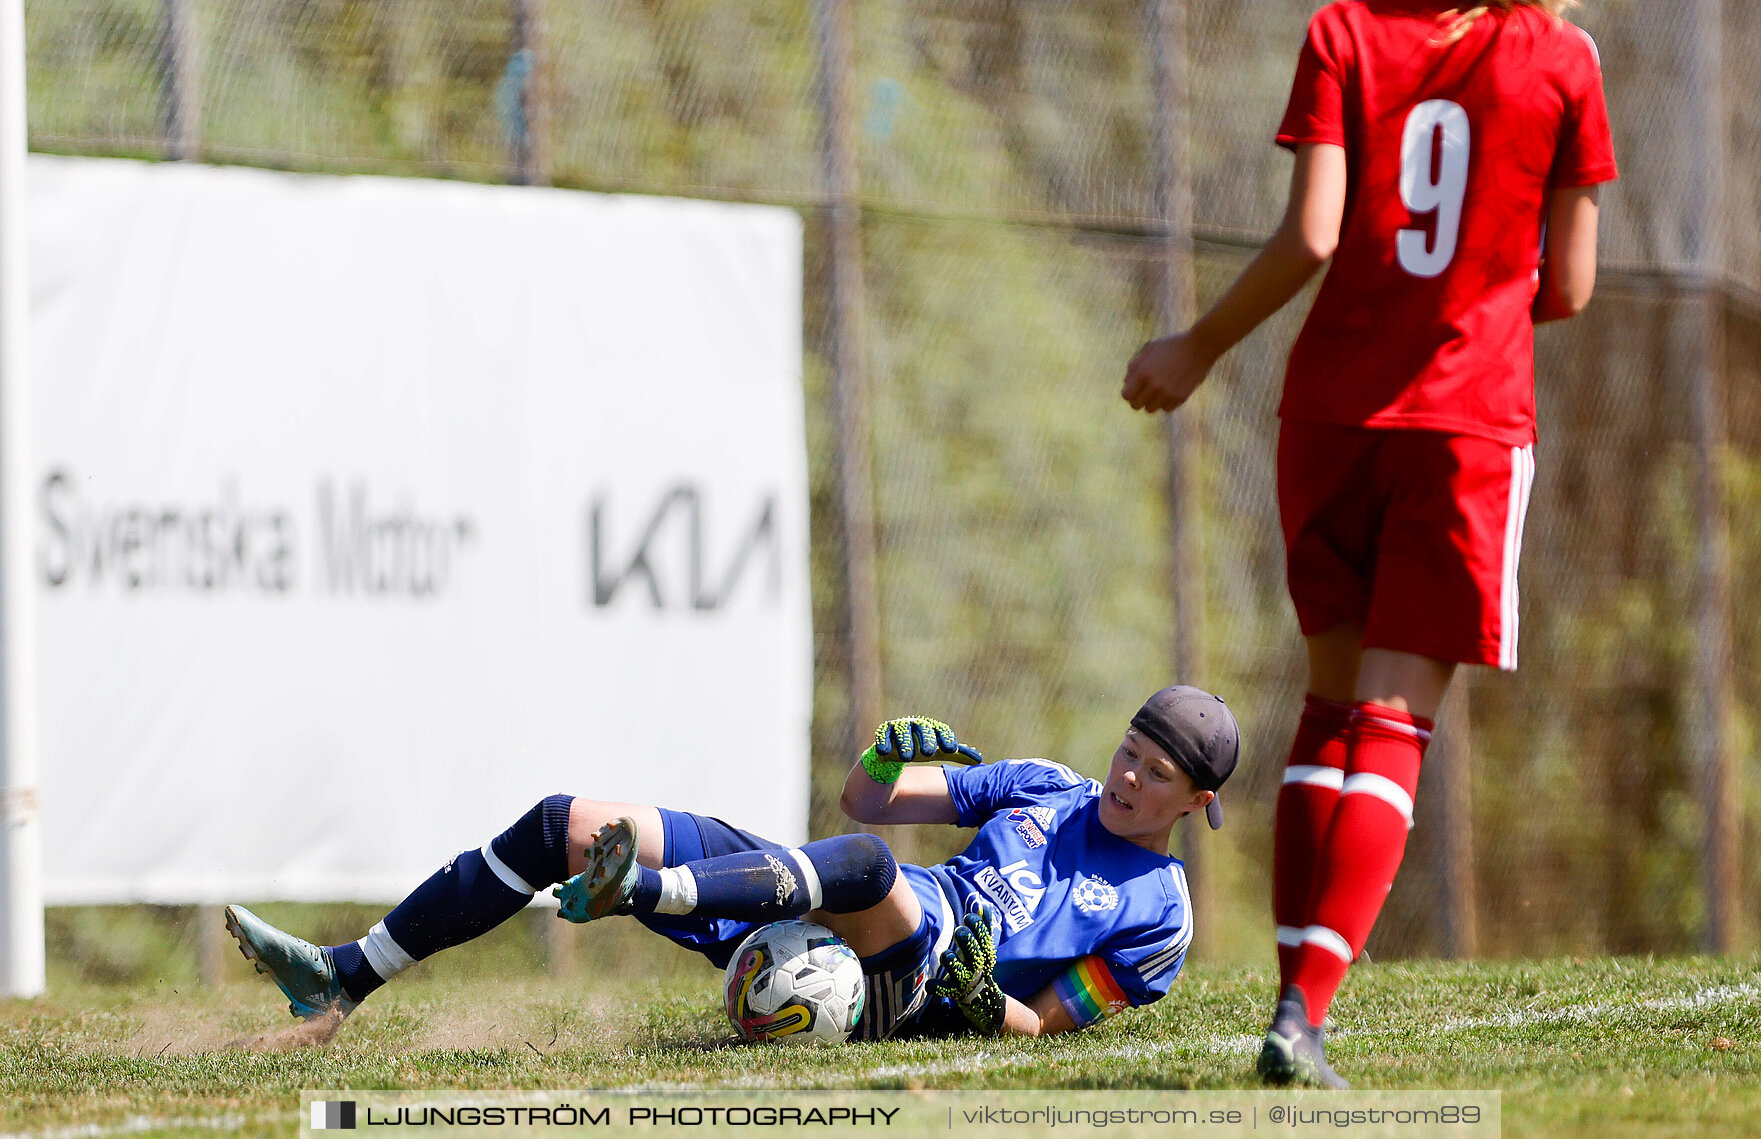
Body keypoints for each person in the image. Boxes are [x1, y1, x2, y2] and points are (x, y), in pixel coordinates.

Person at [1121, 0, 1614, 1089]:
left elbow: (1314, 233)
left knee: (1329, 704)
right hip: (1466, 425)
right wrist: (1473, 301)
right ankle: (1305, 1010)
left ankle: (1292, 1003)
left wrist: (1197, 346)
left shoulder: (1343, 31)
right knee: (1393, 721)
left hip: (1332, 415)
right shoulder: (1563, 58)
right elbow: (1571, 288)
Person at [226, 686, 1238, 1041]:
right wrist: (889, 753)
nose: (1125, 778)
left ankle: (648, 890)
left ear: (1196, 804)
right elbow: (869, 802)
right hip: (850, 895)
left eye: (1153, 777)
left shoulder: (1159, 916)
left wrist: (984, 1000)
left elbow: (1055, 1022)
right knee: (565, 819)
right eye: (1127, 753)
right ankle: (344, 973)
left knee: (872, 868)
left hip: (917, 985)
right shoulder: (1049, 784)